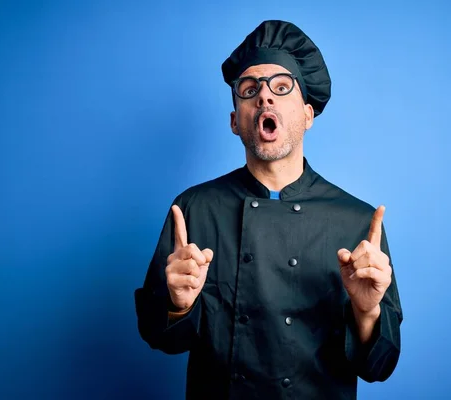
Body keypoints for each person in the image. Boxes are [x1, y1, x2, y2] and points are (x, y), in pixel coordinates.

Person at [134, 20, 403, 400]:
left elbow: (379, 367)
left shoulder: (358, 222)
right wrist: (177, 307)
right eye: (249, 90)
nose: (264, 97)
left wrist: (367, 313)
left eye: (281, 86)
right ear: (234, 122)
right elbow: (159, 336)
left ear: (308, 116)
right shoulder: (192, 209)